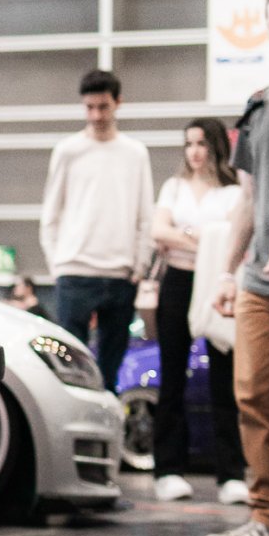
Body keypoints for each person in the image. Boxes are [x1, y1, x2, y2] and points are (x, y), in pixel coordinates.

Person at [206, 0, 269, 536]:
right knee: (253, 393)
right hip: (260, 278)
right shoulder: (261, 105)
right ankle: (267, 516)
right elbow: (247, 199)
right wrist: (228, 272)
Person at [149, 118, 247, 504]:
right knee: (171, 376)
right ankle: (168, 469)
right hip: (177, 281)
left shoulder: (233, 192)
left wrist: (185, 236)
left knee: (224, 379)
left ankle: (231, 474)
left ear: (217, 146)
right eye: (189, 143)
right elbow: (158, 231)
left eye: (202, 143)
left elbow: (235, 238)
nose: (194, 151)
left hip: (216, 283)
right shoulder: (174, 187)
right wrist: (207, 237)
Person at [40, 68, 154, 392]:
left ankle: (109, 422)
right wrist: (58, 265)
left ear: (118, 103)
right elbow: (51, 213)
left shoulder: (135, 153)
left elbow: (145, 214)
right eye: (89, 107)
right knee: (71, 370)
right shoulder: (68, 150)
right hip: (75, 271)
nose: (96, 115)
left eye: (103, 107)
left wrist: (139, 265)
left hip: (120, 274)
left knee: (110, 371)